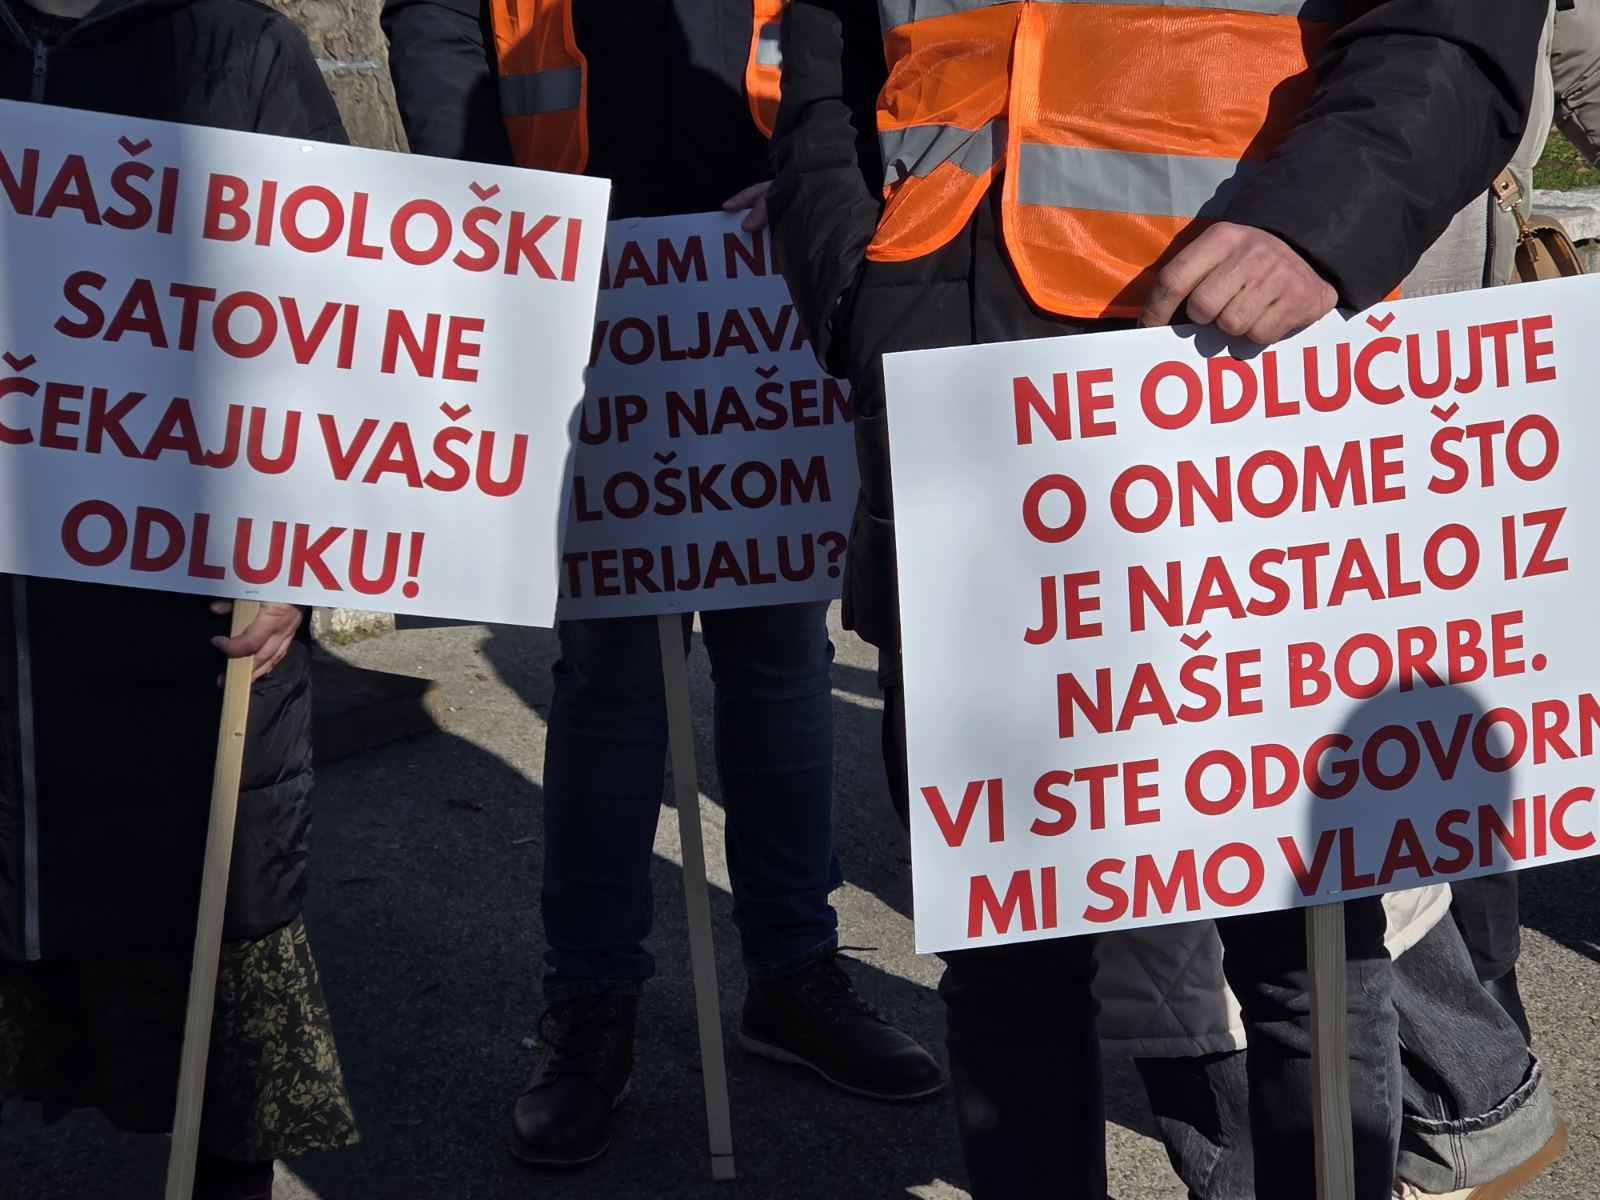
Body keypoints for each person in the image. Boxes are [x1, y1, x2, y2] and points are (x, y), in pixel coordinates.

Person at [769, 2, 1545, 1197]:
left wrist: (1315, 227)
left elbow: (1447, 26)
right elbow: (827, 51)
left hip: (1236, 369)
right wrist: (846, 276)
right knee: (1006, 941)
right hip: (954, 370)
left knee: (1302, 943)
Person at [380, 0, 945, 1171]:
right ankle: (591, 1005)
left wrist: (824, 188)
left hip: (767, 270)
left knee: (779, 660)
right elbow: (439, 21)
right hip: (571, 272)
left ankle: (794, 972)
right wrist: (483, 206)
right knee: (612, 676)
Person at [0, 2, 357, 1197]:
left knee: (214, 1012)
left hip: (191, 635)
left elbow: (349, 324)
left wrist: (300, 550)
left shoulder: (244, 51)